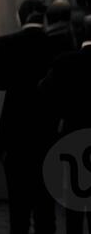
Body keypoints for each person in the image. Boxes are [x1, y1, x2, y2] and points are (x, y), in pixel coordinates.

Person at [0, 0, 65, 234]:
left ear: (19, 17)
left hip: (16, 131)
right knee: (45, 209)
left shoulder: (7, 43)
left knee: (18, 209)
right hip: (47, 131)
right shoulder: (56, 44)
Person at [40, 13, 91, 234]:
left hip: (74, 137)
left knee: (75, 205)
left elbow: (46, 97)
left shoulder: (65, 62)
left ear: (78, 33)